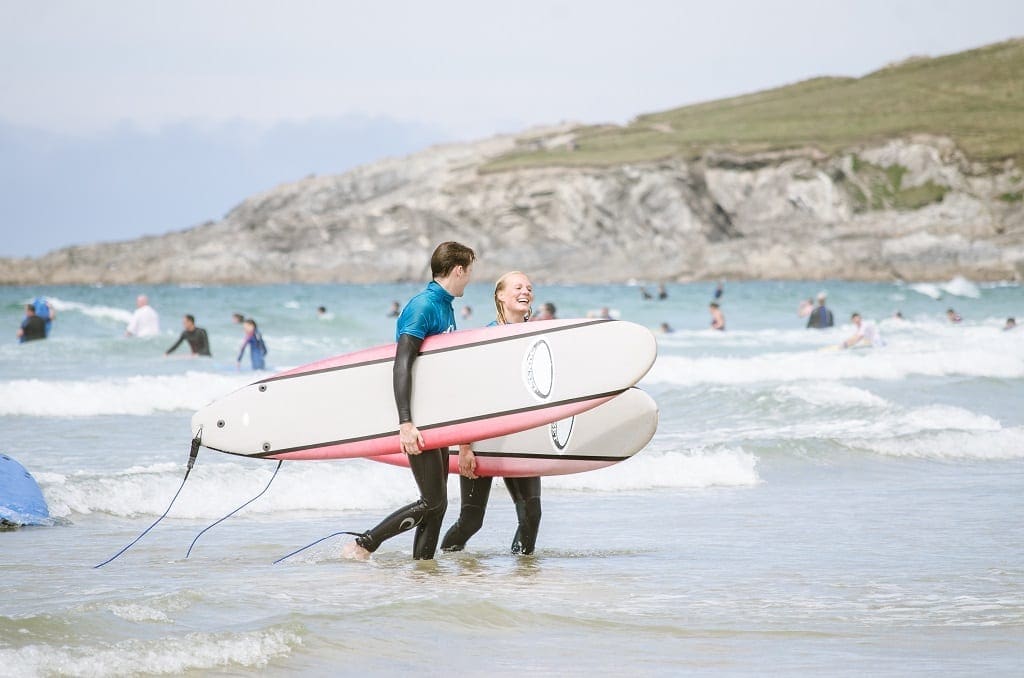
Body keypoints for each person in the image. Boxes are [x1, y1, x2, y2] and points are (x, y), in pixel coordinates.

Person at [342, 241, 476, 561]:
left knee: (438, 503)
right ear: (458, 269)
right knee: (431, 501)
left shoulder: (445, 306)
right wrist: (406, 422)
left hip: (435, 417)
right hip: (418, 418)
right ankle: (364, 544)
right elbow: (402, 363)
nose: (470, 278)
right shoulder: (423, 306)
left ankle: (423, 568)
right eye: (469, 271)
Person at [442, 271, 542, 556]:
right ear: (500, 295)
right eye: (518, 287)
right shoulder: (487, 337)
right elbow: (468, 393)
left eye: (529, 288)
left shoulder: (537, 337)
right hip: (483, 439)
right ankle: (443, 563)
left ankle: (522, 578)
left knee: (531, 516)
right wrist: (464, 446)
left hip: (521, 438)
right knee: (471, 521)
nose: (526, 291)